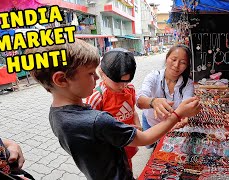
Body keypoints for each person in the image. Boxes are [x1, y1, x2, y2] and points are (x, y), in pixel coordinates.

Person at [26, 39, 201, 180]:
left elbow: (128, 115)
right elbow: (145, 138)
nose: (96, 77)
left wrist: (131, 126)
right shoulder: (97, 119)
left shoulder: (57, 115)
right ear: (62, 80)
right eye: (90, 73)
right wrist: (178, 114)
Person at [85, 48, 141, 170]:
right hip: (110, 152)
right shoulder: (97, 97)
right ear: (103, 74)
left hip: (128, 145)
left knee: (128, 168)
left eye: (127, 81)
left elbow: (133, 112)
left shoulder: (130, 88)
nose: (123, 86)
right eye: (117, 82)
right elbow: (91, 132)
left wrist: (138, 126)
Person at [136, 44, 194, 148]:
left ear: (187, 66)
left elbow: (187, 104)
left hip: (172, 125)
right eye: (174, 59)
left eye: (183, 62)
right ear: (167, 58)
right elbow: (139, 100)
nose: (176, 65)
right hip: (151, 122)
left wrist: (185, 117)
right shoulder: (153, 77)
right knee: (149, 145)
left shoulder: (188, 83)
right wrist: (153, 102)